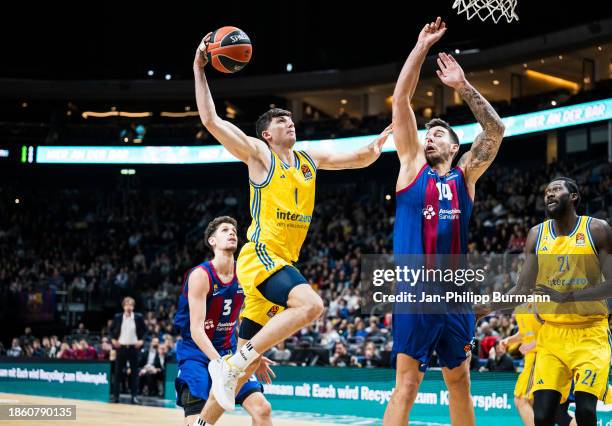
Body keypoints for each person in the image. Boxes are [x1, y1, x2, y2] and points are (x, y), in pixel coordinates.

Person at [193, 34, 393, 411]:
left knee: (243, 364)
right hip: (261, 257)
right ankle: (234, 363)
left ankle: (205, 417)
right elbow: (210, 119)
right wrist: (198, 68)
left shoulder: (307, 158)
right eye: (282, 121)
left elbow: (356, 159)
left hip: (283, 262)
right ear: (267, 134)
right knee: (313, 306)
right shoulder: (259, 156)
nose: (290, 124)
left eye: (290, 120)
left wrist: (374, 149)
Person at [384, 17, 505, 426]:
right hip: (415, 290)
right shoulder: (410, 167)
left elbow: (495, 129)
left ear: (454, 146)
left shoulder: (465, 174)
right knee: (407, 384)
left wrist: (463, 87)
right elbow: (401, 101)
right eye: (427, 133)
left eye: (437, 134)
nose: (428, 137)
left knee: (460, 380)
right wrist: (420, 48)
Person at [173, 217, 274, 426]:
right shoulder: (200, 275)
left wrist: (254, 353)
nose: (232, 233)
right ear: (212, 241)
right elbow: (196, 329)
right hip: (196, 354)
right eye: (225, 230)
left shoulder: (244, 273)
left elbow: (249, 318)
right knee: (197, 422)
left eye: (234, 230)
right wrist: (219, 365)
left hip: (229, 352)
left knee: (262, 410)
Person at [500, 303, 543, 425]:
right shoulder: (520, 305)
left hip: (540, 356)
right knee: (532, 404)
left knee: (521, 400)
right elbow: (524, 333)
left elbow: (553, 331)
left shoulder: (541, 300)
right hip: (532, 358)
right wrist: (509, 340)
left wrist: (532, 345)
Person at [110, 296, 146, 404]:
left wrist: (142, 341)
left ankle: (134, 397)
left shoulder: (138, 317)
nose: (129, 307)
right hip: (121, 348)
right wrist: (112, 340)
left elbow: (146, 331)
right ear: (123, 306)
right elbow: (110, 331)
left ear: (133, 307)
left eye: (131, 305)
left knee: (135, 374)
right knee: (117, 374)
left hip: (133, 348)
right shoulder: (118, 317)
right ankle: (116, 397)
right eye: (127, 305)